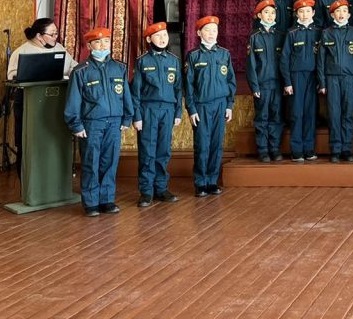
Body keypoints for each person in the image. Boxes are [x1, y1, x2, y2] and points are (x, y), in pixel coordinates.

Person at [63, 27, 133, 216]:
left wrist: (127, 117)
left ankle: (107, 200)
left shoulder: (119, 68)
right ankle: (91, 202)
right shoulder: (81, 71)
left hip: (114, 122)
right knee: (91, 162)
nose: (103, 46)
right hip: (92, 123)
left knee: (110, 162)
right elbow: (73, 100)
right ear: (89, 46)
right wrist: (76, 124)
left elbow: (126, 95)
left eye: (106, 42)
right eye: (98, 42)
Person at [6, 18, 77, 176]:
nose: (55, 37)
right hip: (29, 103)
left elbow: (73, 67)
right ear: (39, 36)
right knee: (27, 142)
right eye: (52, 34)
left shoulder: (59, 48)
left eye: (56, 33)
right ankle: (28, 181)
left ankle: (52, 178)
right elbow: (12, 76)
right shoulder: (22, 52)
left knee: (52, 141)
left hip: (54, 103)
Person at [131, 21, 182, 207]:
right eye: (158, 36)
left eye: (165, 35)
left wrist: (177, 112)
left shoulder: (173, 60)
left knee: (164, 150)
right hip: (148, 110)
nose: (162, 39)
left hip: (167, 110)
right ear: (149, 39)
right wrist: (137, 116)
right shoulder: (143, 61)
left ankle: (161, 188)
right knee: (147, 151)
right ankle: (146, 191)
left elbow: (178, 89)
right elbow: (135, 93)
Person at [184, 15, 236, 197]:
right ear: (199, 33)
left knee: (216, 144)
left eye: (214, 30)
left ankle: (212, 181)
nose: (212, 33)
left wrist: (229, 105)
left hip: (220, 105)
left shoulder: (224, 54)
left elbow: (231, 81)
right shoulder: (193, 56)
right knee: (202, 145)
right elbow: (188, 86)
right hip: (201, 106)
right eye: (207, 30)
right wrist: (191, 109)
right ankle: (201, 182)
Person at [318, 0, 353, 162]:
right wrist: (322, 82)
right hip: (332, 79)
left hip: (350, 78)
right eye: (337, 11)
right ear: (332, 15)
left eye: (344, 11)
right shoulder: (326, 33)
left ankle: (347, 149)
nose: (341, 14)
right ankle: (335, 149)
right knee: (334, 114)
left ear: (349, 15)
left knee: (348, 114)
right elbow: (321, 60)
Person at [280, 0, 322, 161]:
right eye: (301, 11)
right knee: (297, 113)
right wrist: (287, 82)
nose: (305, 14)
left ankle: (309, 148)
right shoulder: (291, 33)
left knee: (310, 113)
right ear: (296, 14)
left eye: (308, 11)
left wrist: (321, 80)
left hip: (313, 76)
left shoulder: (319, 31)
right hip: (296, 77)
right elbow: (284, 59)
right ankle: (297, 149)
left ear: (313, 13)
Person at [246, 0, 284, 162]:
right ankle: (263, 150)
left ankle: (274, 148)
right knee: (262, 117)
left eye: (273, 13)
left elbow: (285, 62)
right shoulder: (254, 37)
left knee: (276, 116)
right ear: (259, 15)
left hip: (278, 84)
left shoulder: (280, 35)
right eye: (266, 12)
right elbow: (251, 64)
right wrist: (254, 86)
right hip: (262, 84)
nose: (270, 16)